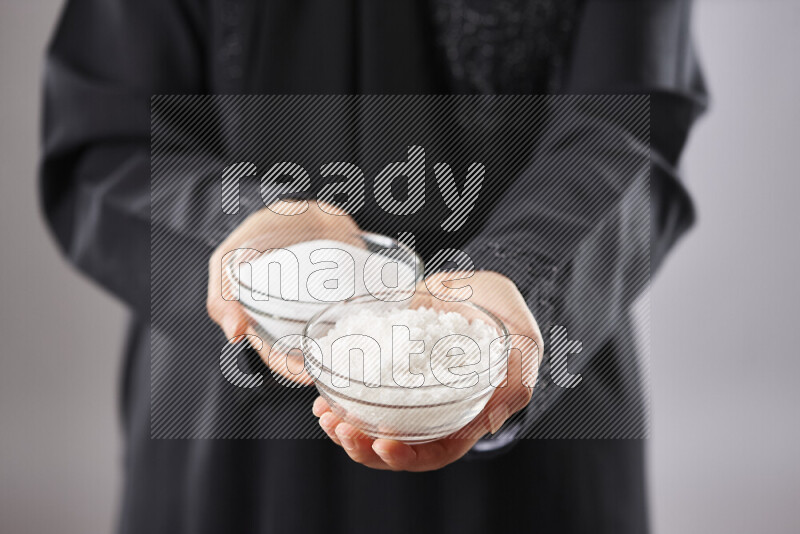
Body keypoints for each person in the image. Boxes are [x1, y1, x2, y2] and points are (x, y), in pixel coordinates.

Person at [40, 0, 706, 532]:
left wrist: (519, 273)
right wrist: (239, 230)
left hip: (529, 380)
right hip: (228, 439)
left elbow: (629, 120)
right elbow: (109, 135)